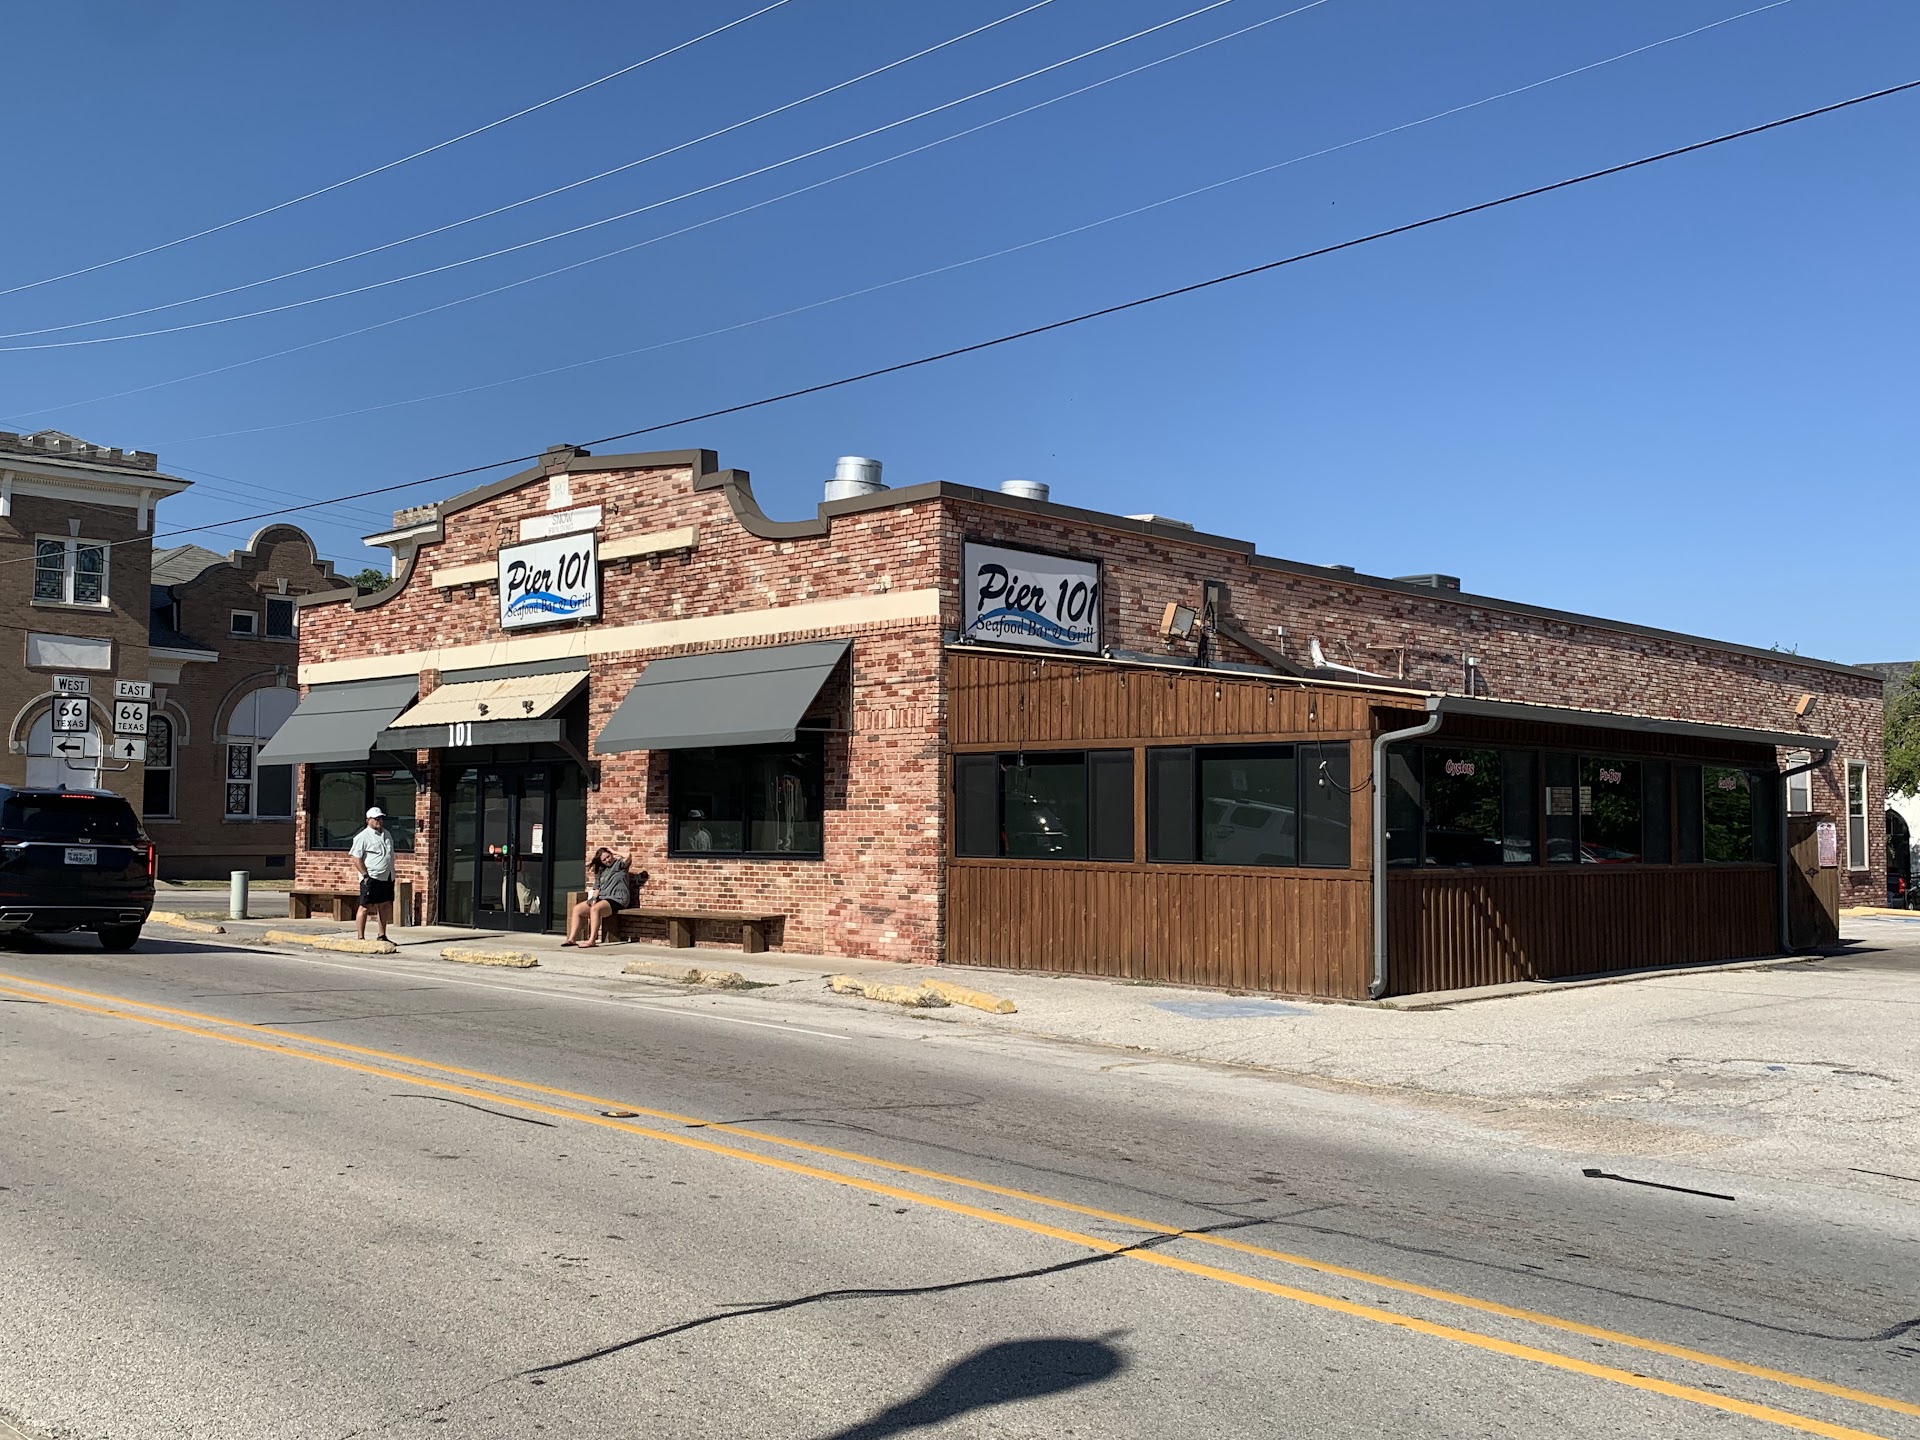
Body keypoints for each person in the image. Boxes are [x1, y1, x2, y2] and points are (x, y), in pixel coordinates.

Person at [564, 846, 642, 948]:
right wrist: (593, 899)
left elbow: (628, 856)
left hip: (618, 898)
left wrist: (614, 851)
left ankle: (592, 940)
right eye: (604, 860)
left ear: (611, 855)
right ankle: (572, 939)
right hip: (603, 898)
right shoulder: (601, 870)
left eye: (608, 857)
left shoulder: (620, 865)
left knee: (595, 909)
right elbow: (597, 888)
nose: (607, 860)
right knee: (577, 909)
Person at [349, 806, 397, 941]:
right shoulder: (362, 837)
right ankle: (360, 937)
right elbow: (356, 857)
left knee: (384, 905)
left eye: (380, 818)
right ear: (368, 820)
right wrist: (365, 875)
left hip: (387, 876)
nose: (379, 821)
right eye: (376, 819)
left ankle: (382, 935)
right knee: (365, 906)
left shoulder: (387, 834)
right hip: (371, 877)